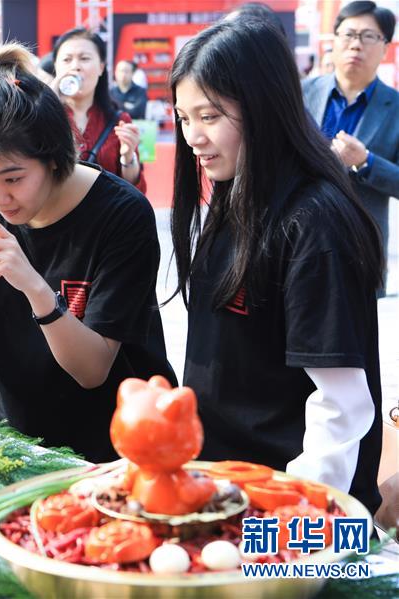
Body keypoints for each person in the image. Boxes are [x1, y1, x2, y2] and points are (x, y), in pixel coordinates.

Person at [170, 17, 384, 515]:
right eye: (183, 117)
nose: (192, 137)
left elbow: (342, 405)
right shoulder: (236, 191)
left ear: (264, 107)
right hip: (224, 488)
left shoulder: (314, 222)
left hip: (288, 505)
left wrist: (294, 521)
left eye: (209, 116)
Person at [0, 44, 174, 460]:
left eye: (13, 178)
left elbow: (93, 370)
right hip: (23, 445)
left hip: (120, 448)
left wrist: (34, 287)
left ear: (54, 158)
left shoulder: (122, 214)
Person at [303, 0, 399, 297]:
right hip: (298, 244)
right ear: (333, 40)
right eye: (348, 34)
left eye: (368, 36)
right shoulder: (301, 93)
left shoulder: (395, 107)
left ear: (385, 47)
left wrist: (367, 161)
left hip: (360, 253)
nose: (356, 45)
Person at [51, 28, 146, 192]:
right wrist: (47, 103)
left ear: (101, 67)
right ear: (56, 67)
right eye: (67, 59)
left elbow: (135, 191)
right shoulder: (41, 116)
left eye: (84, 58)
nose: (75, 66)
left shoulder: (119, 120)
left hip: (107, 216)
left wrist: (128, 157)